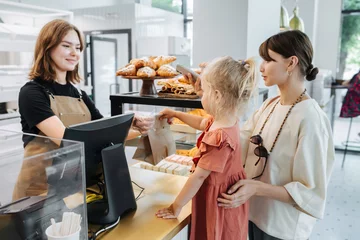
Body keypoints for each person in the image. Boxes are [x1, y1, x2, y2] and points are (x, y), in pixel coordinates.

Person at [212, 30, 335, 240]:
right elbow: (240, 142)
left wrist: (257, 188)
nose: (261, 67)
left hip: (281, 228)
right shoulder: (270, 104)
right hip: (254, 214)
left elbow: (310, 191)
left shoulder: (311, 118)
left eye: (269, 60)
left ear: (291, 63)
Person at [13, 19, 153, 200]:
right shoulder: (32, 92)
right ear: (47, 48)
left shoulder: (80, 94)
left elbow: (106, 134)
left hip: (73, 185)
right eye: (66, 46)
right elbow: (67, 141)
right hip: (40, 192)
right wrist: (125, 126)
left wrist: (137, 126)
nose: (74, 53)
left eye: (78, 48)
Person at [156, 56, 257, 240]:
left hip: (217, 203)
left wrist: (176, 206)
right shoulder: (226, 121)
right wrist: (176, 113)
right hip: (223, 194)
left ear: (217, 96)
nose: (201, 95)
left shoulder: (219, 138)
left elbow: (199, 176)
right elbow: (202, 122)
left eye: (204, 92)